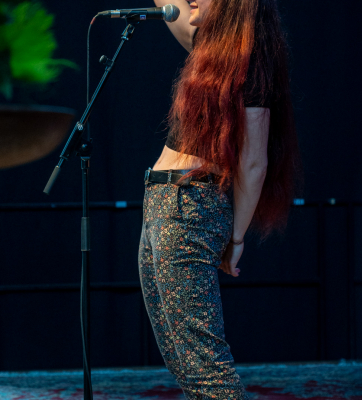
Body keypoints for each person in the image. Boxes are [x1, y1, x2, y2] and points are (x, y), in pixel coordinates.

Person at [138, 0, 302, 399]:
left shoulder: (251, 58)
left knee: (204, 365)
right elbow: (173, 7)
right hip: (163, 201)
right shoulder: (208, 43)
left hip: (191, 206)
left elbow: (254, 162)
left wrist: (237, 238)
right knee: (183, 359)